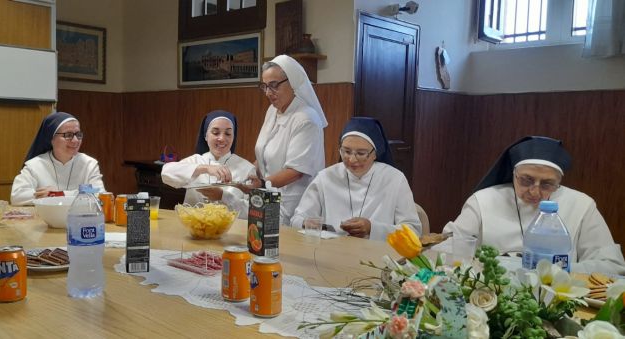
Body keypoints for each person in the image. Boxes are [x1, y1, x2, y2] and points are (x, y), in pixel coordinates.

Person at [444, 136, 625, 275]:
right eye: (526, 180)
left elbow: (612, 265)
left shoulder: (582, 205)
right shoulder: (483, 200)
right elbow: (447, 247)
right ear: (514, 174)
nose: (534, 191)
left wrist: (555, 272)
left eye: (547, 184)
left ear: (559, 181)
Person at [290, 117, 421, 240]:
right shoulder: (325, 177)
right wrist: (307, 223)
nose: (352, 159)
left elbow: (413, 230)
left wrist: (372, 228)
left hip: (377, 257)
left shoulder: (394, 179)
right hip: (332, 254)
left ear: (375, 153)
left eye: (361, 153)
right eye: (346, 152)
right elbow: (296, 219)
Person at [253, 55, 327, 226]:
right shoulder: (272, 111)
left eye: (273, 85)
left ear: (293, 82)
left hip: (294, 203)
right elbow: (264, 154)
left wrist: (261, 185)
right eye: (264, 86)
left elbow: (296, 171)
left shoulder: (306, 118)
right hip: (269, 195)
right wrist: (246, 174)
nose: (268, 93)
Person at [161, 110, 256, 218]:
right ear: (206, 136)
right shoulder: (196, 161)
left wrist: (223, 196)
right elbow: (166, 173)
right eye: (215, 133)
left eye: (228, 133)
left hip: (231, 232)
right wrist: (204, 168)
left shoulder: (247, 168)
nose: (222, 138)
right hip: (193, 229)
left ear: (233, 138)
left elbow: (252, 212)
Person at [11, 112, 105, 205]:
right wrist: (48, 195)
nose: (76, 140)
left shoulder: (89, 164)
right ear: (51, 138)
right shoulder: (34, 165)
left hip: (78, 219)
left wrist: (59, 194)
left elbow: (99, 193)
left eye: (78, 134)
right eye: (68, 135)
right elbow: (17, 196)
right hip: (46, 219)